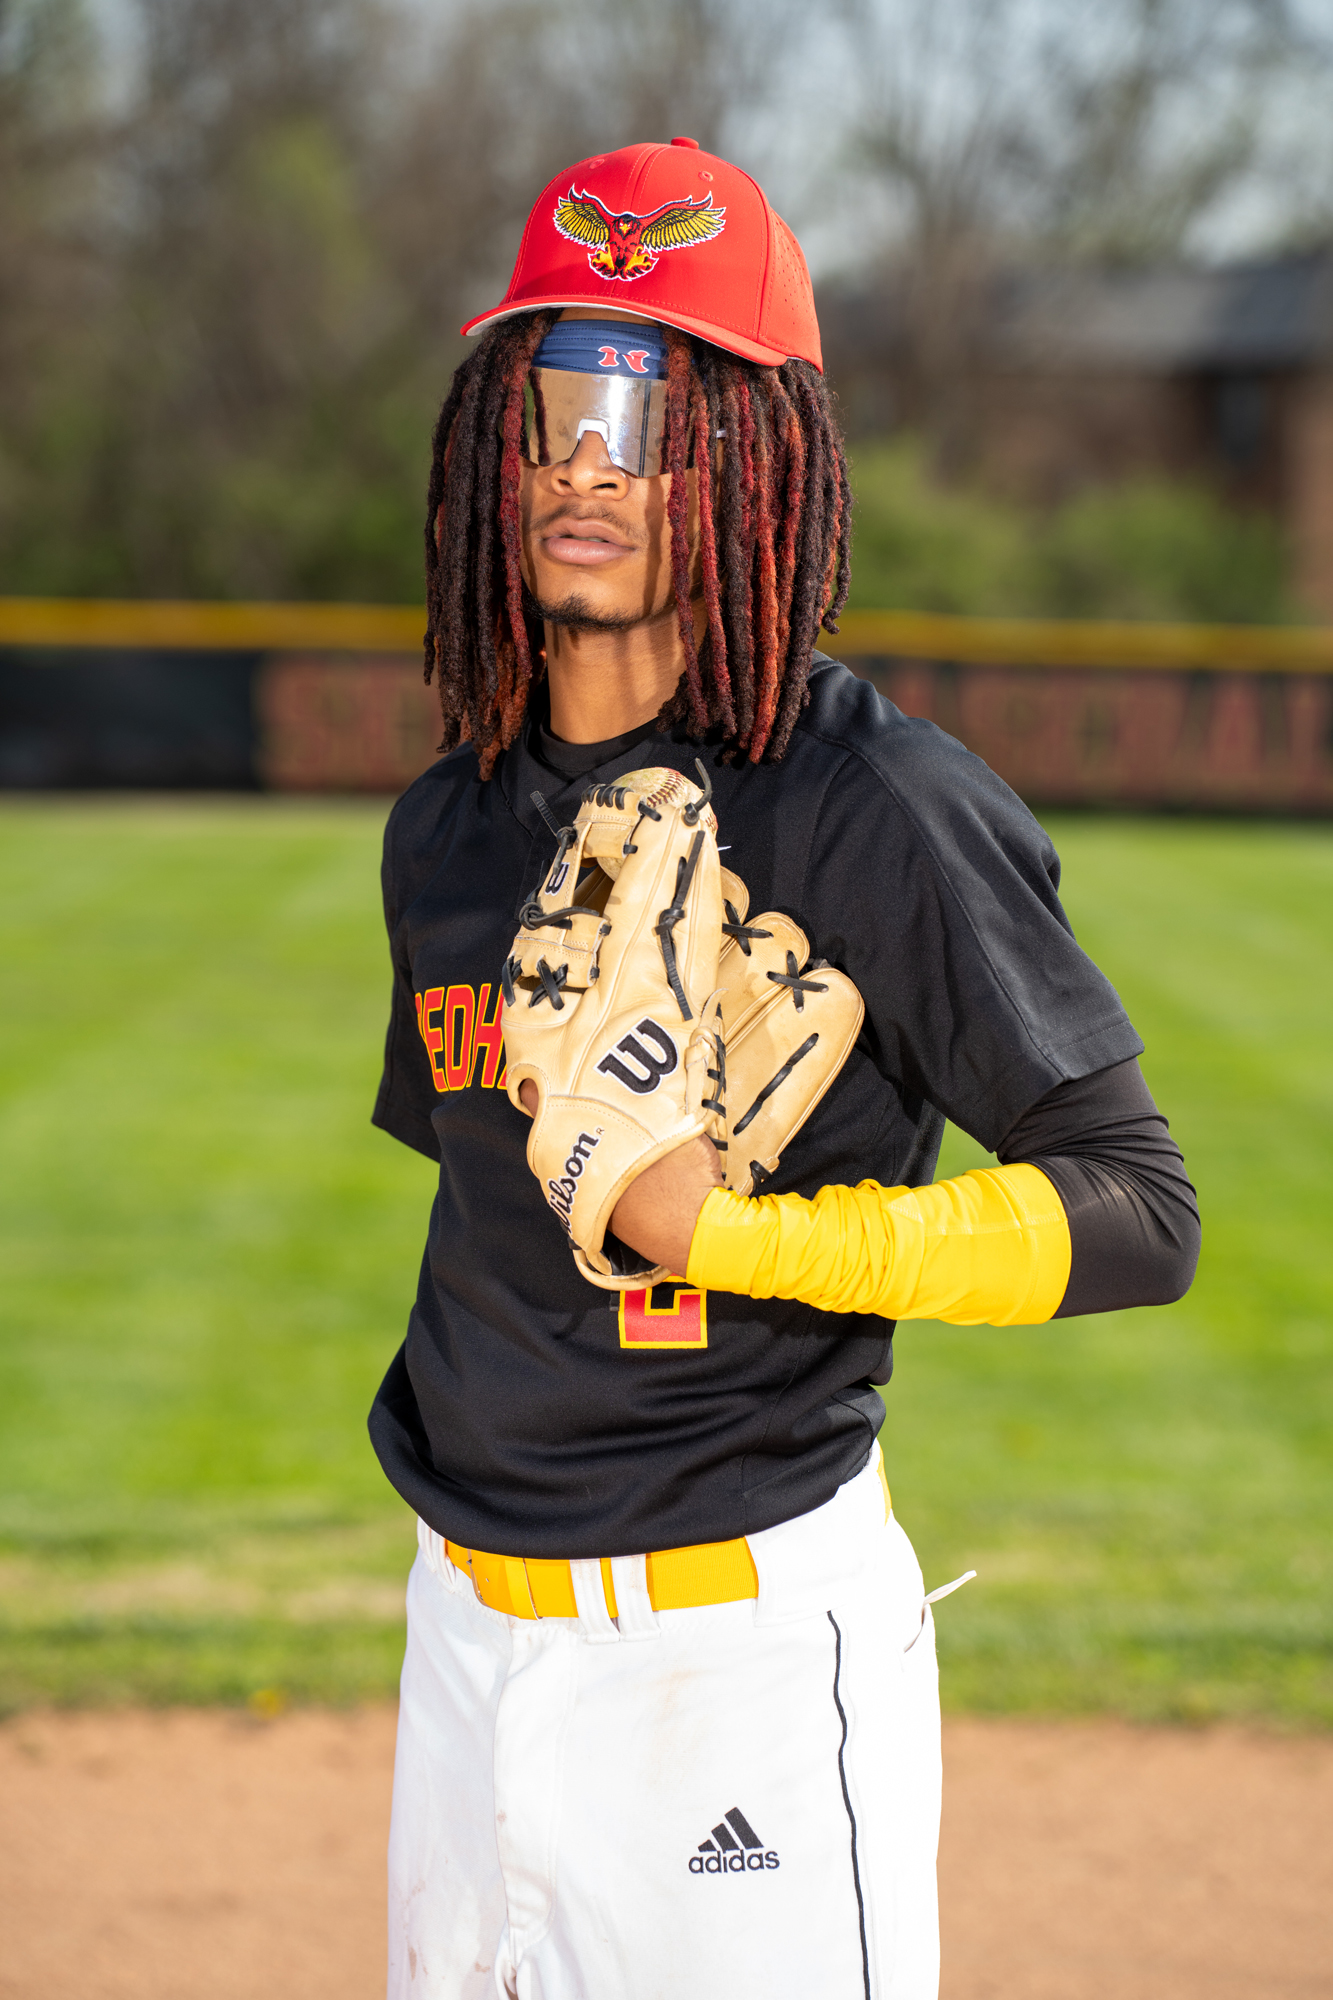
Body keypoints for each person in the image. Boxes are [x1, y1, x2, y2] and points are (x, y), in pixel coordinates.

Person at [370, 138, 1200, 2000]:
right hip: (462, 1639)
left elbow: (1142, 1211)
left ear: (751, 450)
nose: (585, 465)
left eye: (647, 410)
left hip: (730, 1660)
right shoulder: (449, 829)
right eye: (550, 403)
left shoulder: (876, 805)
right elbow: (495, 1241)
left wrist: (732, 1234)